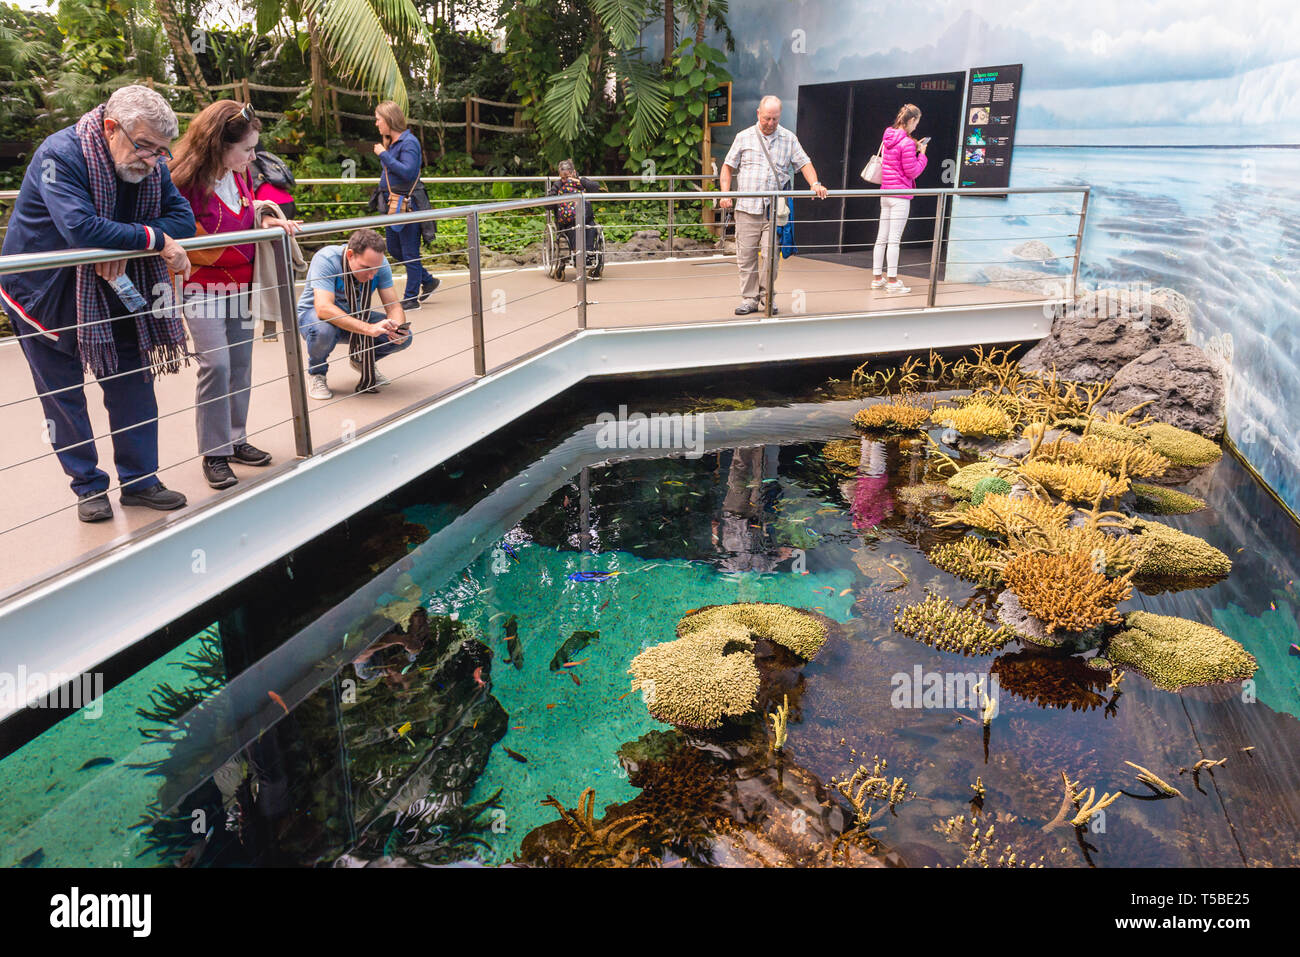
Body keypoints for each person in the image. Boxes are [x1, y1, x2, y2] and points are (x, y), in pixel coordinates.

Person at [0, 85, 195, 523]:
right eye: (145, 148)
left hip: (114, 288)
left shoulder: (152, 161)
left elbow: (183, 217)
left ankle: (141, 481)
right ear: (111, 128)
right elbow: (81, 229)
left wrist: (121, 244)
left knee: (133, 383)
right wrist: (152, 239)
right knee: (63, 394)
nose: (154, 162)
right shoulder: (59, 154)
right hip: (43, 294)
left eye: (162, 152)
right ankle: (87, 485)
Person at [170, 100, 302, 490]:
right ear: (218, 146)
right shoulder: (185, 183)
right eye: (246, 149)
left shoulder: (239, 174)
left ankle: (235, 438)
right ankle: (214, 452)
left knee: (241, 362)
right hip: (202, 287)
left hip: (240, 286)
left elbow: (249, 209)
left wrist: (266, 216)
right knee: (216, 365)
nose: (253, 156)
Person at [718, 95, 828, 315]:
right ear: (758, 114)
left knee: (771, 258)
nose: (770, 123)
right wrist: (725, 194)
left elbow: (804, 162)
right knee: (746, 255)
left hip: (774, 210)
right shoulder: (744, 137)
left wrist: (815, 183)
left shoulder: (789, 138)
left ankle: (768, 298)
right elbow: (727, 167)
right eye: (767, 118)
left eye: (775, 119)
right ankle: (749, 299)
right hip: (747, 207)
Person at [296, 228, 413, 400]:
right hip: (315, 318)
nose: (372, 275)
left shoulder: (380, 265)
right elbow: (323, 308)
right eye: (366, 268)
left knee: (406, 337)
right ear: (350, 255)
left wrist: (397, 330)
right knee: (324, 331)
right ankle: (317, 373)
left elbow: (394, 307)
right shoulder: (327, 259)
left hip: (356, 315)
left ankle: (362, 361)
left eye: (376, 269)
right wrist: (368, 329)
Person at [373, 101, 438, 310]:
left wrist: (383, 154)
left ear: (389, 120)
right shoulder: (394, 142)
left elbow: (408, 172)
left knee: (410, 251)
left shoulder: (409, 142)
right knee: (393, 248)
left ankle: (411, 298)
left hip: (408, 204)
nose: (376, 124)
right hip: (393, 205)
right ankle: (427, 280)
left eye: (378, 119)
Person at [871, 104, 928, 295]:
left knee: (881, 238)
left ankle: (877, 278)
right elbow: (912, 171)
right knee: (894, 241)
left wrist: (915, 148)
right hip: (900, 196)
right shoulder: (907, 143)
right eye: (916, 122)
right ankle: (893, 281)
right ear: (911, 120)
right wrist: (923, 155)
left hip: (885, 193)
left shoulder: (888, 137)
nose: (916, 127)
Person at [545, 159, 602, 275]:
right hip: (567, 222)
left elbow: (596, 187)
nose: (565, 180)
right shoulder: (558, 185)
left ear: (574, 172)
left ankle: (589, 253)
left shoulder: (582, 181)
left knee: (590, 227)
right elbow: (547, 205)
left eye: (567, 176)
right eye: (563, 178)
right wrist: (558, 198)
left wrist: (578, 182)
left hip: (586, 218)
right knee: (574, 227)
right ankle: (578, 255)